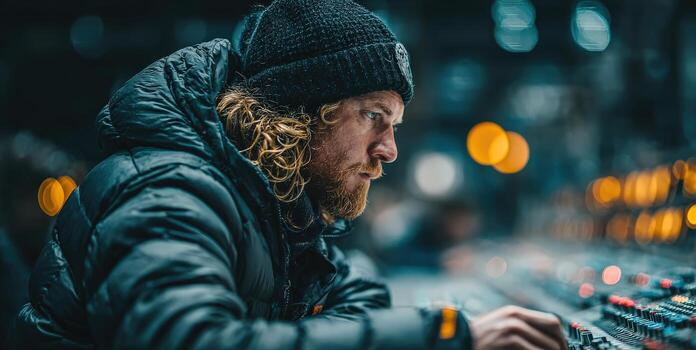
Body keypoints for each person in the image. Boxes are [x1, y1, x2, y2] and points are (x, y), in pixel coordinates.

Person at [9, 1, 568, 349]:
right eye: (375, 117)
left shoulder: (274, 205)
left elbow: (361, 293)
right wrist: (447, 335)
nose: (391, 150)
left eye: (395, 124)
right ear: (300, 113)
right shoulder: (169, 192)